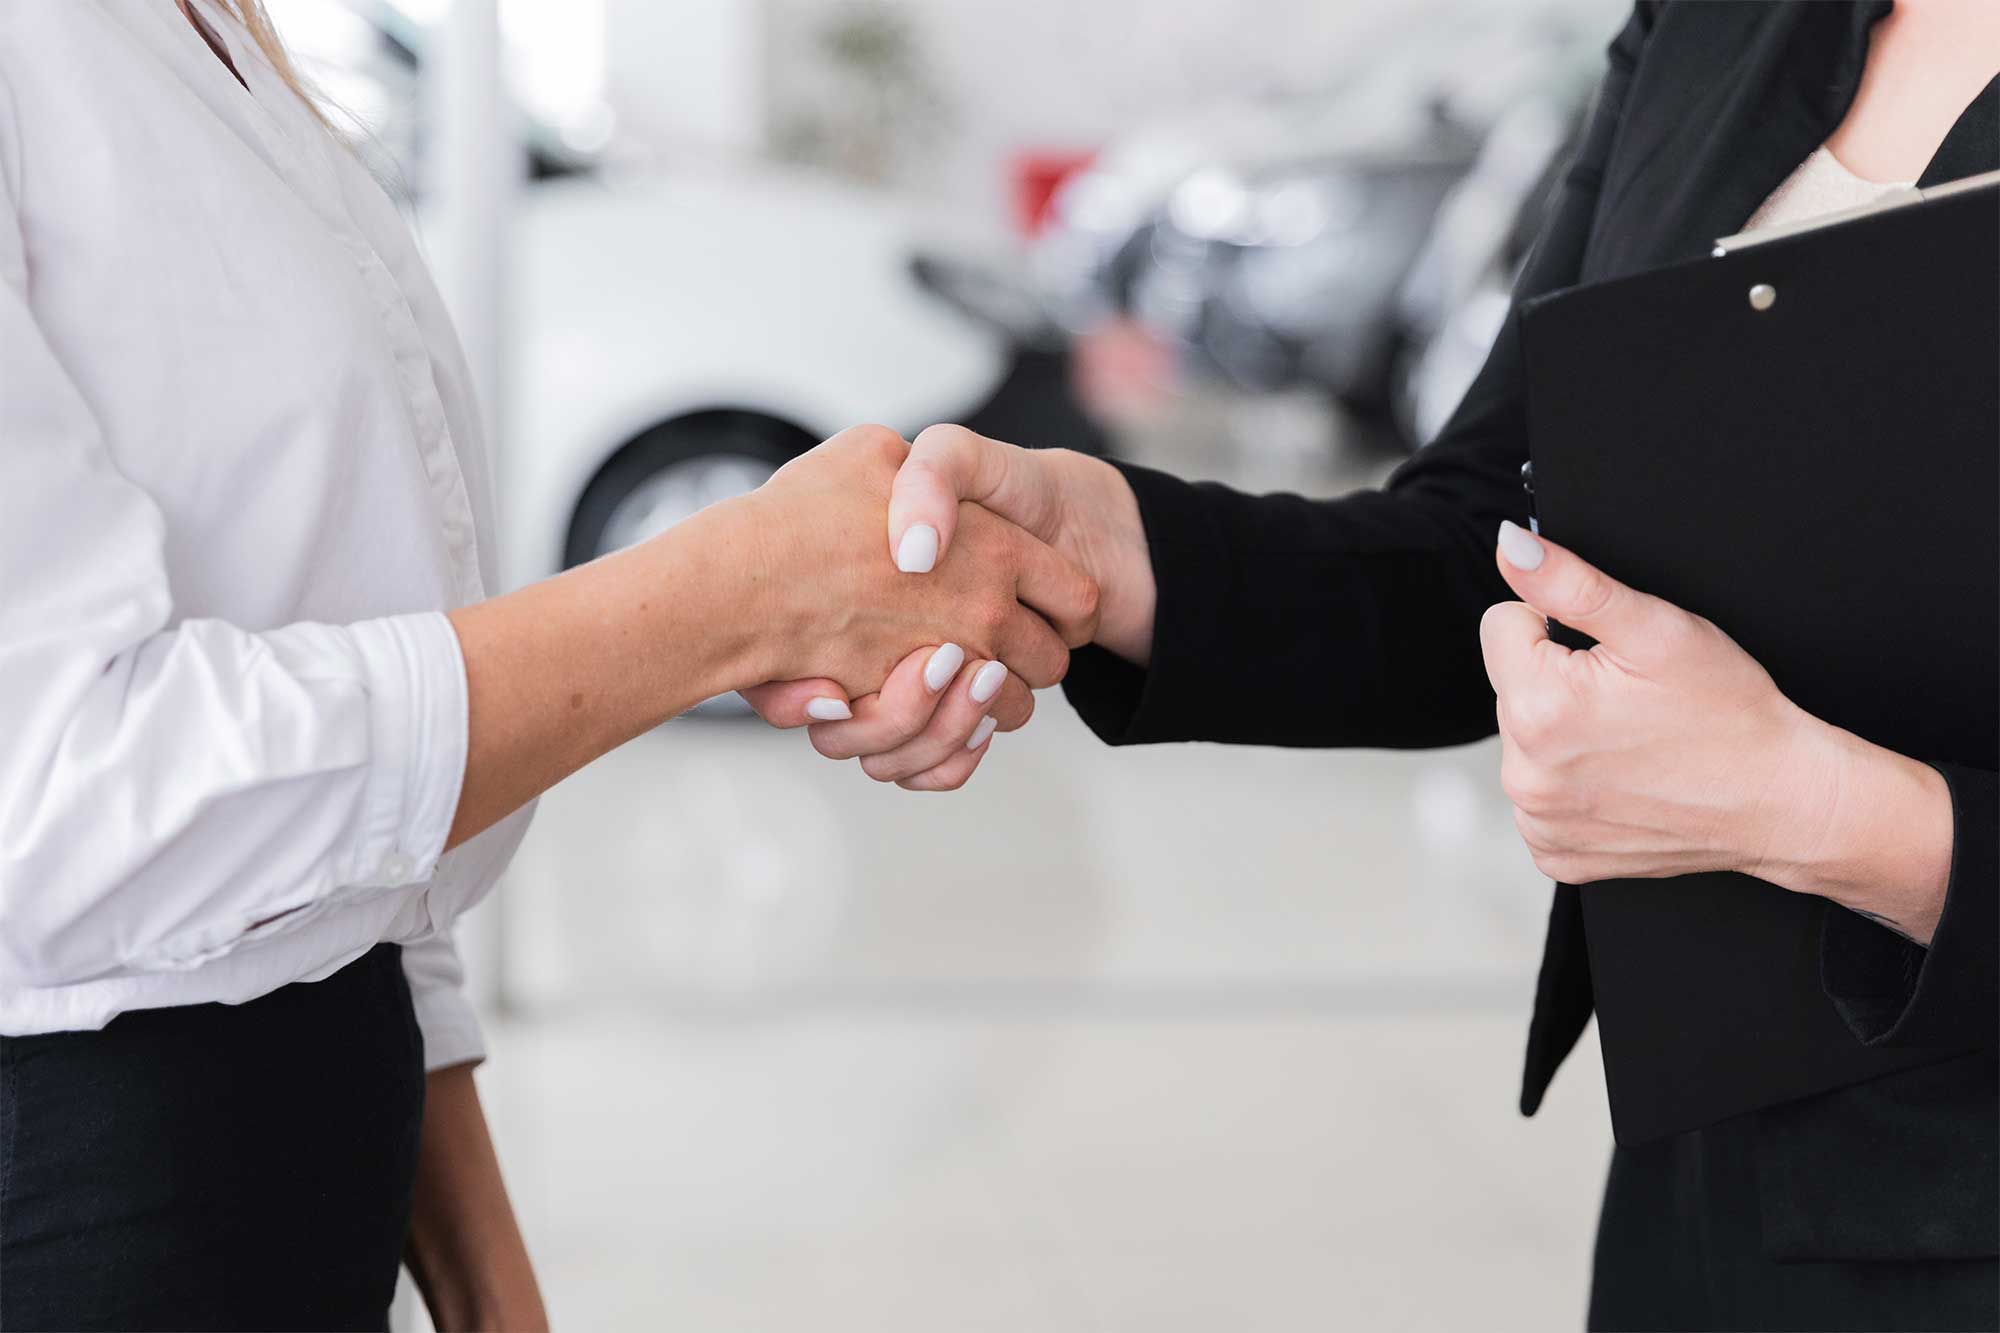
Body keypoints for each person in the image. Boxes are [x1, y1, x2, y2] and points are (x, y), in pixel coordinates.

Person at [786, 1, 2000, 1327]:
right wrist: (1104, 545)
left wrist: (1817, 810)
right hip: (1713, 1177)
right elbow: (1494, 537)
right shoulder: (1720, 21)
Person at [0, 2, 1097, 1328]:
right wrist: (735, 599)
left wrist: (492, 1288)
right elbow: (55, 796)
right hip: (88, 1215)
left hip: (307, 1178)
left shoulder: (204, 33)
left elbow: (344, 851)